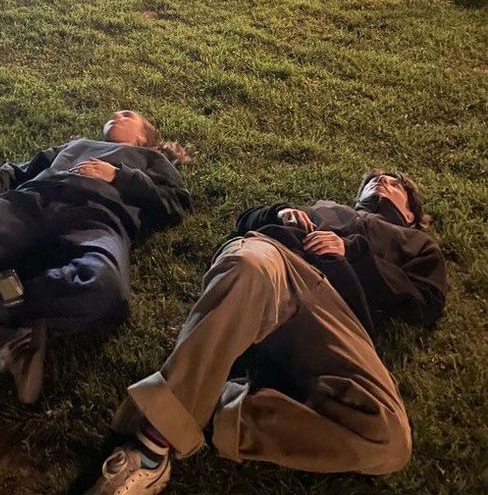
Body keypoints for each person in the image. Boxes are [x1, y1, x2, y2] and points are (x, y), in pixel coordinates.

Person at [87, 171, 446, 493]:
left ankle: (215, 409)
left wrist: (355, 252)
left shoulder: (414, 243)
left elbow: (427, 302)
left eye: (395, 182)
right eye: (374, 178)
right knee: (247, 266)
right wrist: (278, 213)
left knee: (389, 441)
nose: (381, 181)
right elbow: (245, 225)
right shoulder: (326, 208)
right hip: (279, 264)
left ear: (411, 213)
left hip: (337, 316)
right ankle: (151, 445)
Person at [0, 111, 191, 403]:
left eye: (126, 114)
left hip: (96, 218)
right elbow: (17, 171)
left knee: (103, 285)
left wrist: (118, 175)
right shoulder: (74, 146)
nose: (116, 113)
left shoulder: (153, 160)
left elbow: (174, 203)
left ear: (144, 137)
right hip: (29, 203)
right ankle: (9, 336)